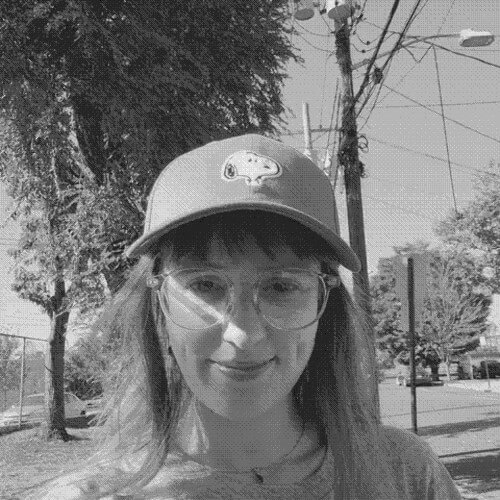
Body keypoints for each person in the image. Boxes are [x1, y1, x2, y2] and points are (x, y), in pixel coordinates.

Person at [37, 134, 461, 499]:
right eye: (205, 285)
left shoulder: (406, 476)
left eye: (281, 286)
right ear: (158, 306)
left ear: (323, 305)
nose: (243, 333)